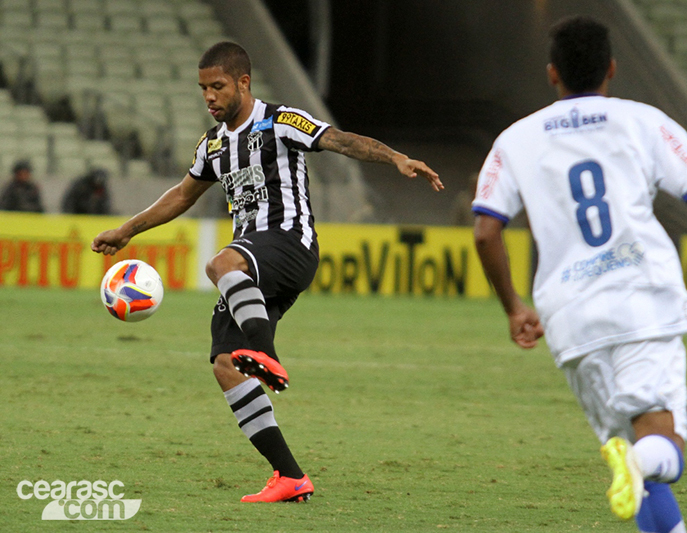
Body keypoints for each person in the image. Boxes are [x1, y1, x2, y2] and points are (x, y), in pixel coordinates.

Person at [92, 41, 442, 503]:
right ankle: (290, 476)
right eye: (203, 89)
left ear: (244, 82)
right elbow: (181, 195)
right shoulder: (212, 145)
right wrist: (126, 230)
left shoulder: (281, 121)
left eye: (218, 86)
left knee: (220, 263)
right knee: (224, 365)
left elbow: (338, 140)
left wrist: (394, 156)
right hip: (254, 267)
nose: (209, 96)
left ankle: (264, 352)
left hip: (290, 243)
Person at [472, 16, 687, 532]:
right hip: (643, 300)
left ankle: (635, 461)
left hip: (570, 317)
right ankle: (640, 458)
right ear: (612, 69)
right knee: (662, 450)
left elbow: (486, 232)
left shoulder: (516, 139)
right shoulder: (643, 120)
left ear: (553, 73)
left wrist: (513, 307)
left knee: (643, 476)